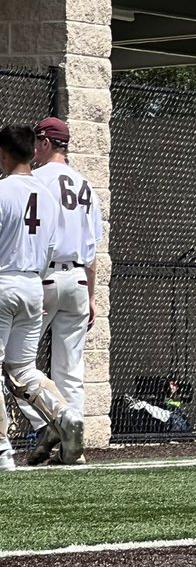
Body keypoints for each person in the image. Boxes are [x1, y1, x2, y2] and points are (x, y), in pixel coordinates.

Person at [18, 117, 104, 465]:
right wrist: (93, 294)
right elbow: (94, 248)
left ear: (45, 143)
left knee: (16, 363)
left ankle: (50, 424)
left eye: (37, 141)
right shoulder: (86, 186)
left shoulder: (33, 180)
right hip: (79, 280)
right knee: (71, 367)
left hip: (43, 279)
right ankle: (73, 442)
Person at [0, 125, 85, 472]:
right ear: (33, 152)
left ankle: (2, 450)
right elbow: (50, 247)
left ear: (4, 153)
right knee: (22, 369)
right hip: (35, 286)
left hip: (3, 282)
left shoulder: (2, 191)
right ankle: (65, 414)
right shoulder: (48, 198)